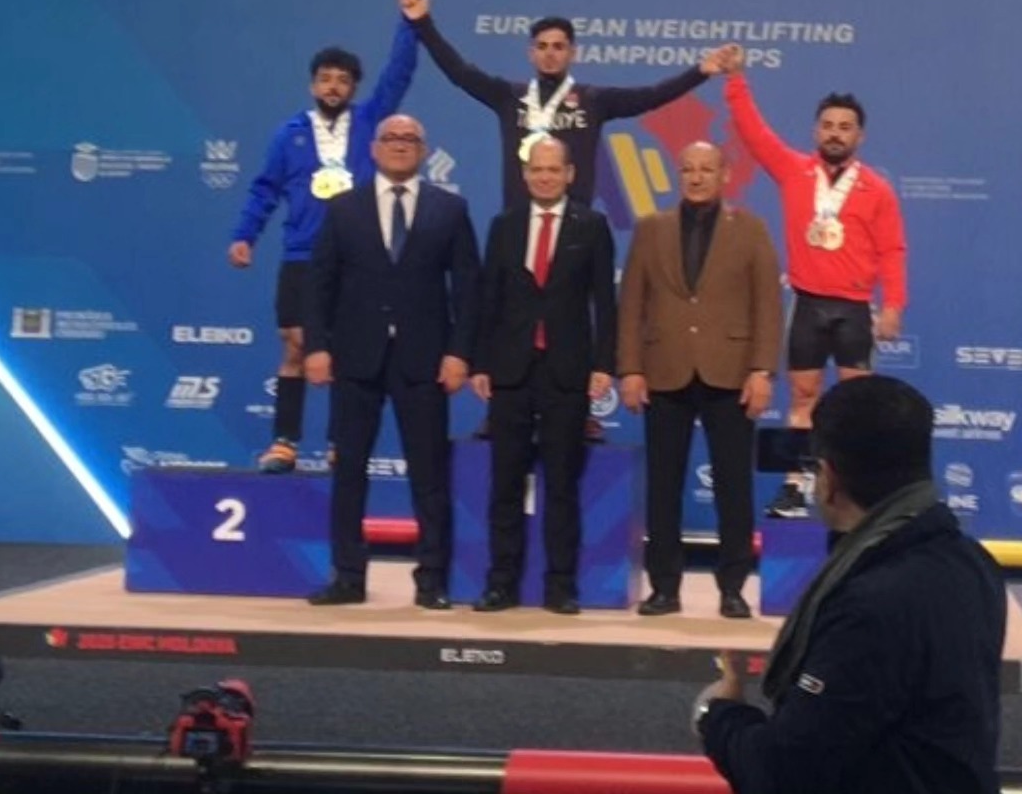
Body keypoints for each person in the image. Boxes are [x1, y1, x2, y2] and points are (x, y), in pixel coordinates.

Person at [693, 376, 1006, 794]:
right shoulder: (974, 563)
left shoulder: (871, 605)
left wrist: (718, 713)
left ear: (827, 478)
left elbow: (782, 773)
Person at [228, 0, 425, 473]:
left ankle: (342, 444)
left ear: (354, 87)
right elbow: (265, 189)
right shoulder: (289, 134)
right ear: (313, 84)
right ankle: (284, 442)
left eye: (342, 80)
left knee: (348, 351)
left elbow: (398, 74)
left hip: (357, 257)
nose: (333, 87)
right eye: (325, 79)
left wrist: (410, 25)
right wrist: (245, 236)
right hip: (302, 255)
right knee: (295, 345)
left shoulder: (371, 122)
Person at [302, 114, 479, 609]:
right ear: (374, 148)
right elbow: (319, 284)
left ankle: (432, 581)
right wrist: (316, 346)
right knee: (349, 471)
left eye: (410, 139)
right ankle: (347, 577)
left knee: (429, 475)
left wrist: (460, 352)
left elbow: (468, 288)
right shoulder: (344, 208)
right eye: (391, 138)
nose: (400, 145)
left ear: (423, 150)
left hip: (425, 360)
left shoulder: (450, 208)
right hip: (355, 357)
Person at [721, 47, 907, 515]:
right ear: (815, 131)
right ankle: (795, 487)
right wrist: (736, 80)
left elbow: (892, 251)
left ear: (859, 136)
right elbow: (754, 133)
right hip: (807, 305)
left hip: (854, 309)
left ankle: (856, 490)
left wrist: (892, 306)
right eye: (828, 125)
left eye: (845, 127)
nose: (835, 133)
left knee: (856, 404)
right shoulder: (794, 171)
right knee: (803, 397)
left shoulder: (877, 190)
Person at [617, 141, 781, 619]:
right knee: (663, 485)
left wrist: (762, 370)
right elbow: (632, 304)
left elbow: (768, 305)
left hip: (730, 372)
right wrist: (630, 368)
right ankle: (664, 588)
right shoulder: (651, 228)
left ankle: (732, 588)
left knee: (733, 485)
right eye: (688, 168)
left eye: (706, 169)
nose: (696, 177)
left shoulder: (750, 228)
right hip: (664, 370)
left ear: (724, 175)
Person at [407, 0, 732, 210]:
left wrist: (700, 72)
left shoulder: (594, 100)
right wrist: (423, 23)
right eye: (542, 46)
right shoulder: (509, 97)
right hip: (518, 223)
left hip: (576, 226)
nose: (550, 53)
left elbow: (651, 97)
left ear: (573, 53)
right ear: (531, 53)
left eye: (558, 46)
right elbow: (460, 72)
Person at [470, 138, 617, 615]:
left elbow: (604, 301)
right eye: (537, 169)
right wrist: (481, 363)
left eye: (554, 169)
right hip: (511, 370)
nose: (545, 177)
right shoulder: (505, 225)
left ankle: (560, 587)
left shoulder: (591, 225)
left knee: (561, 485)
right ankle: (501, 584)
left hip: (566, 371)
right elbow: (488, 298)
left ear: (570, 174)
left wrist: (604, 364)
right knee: (505, 483)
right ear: (526, 174)